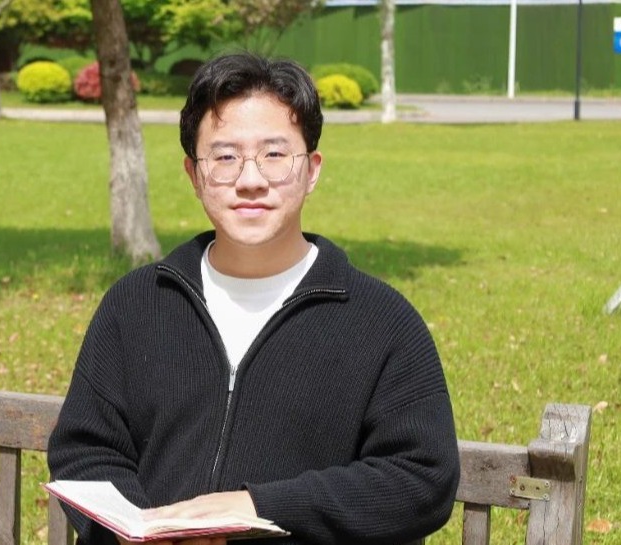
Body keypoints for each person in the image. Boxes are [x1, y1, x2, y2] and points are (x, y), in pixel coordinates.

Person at [47, 52, 460, 545]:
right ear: (194, 174)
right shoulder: (136, 304)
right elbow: (85, 450)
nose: (250, 180)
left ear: (312, 170)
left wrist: (257, 507)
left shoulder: (381, 323)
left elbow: (422, 479)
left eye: (275, 155)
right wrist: (145, 532)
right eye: (224, 157)